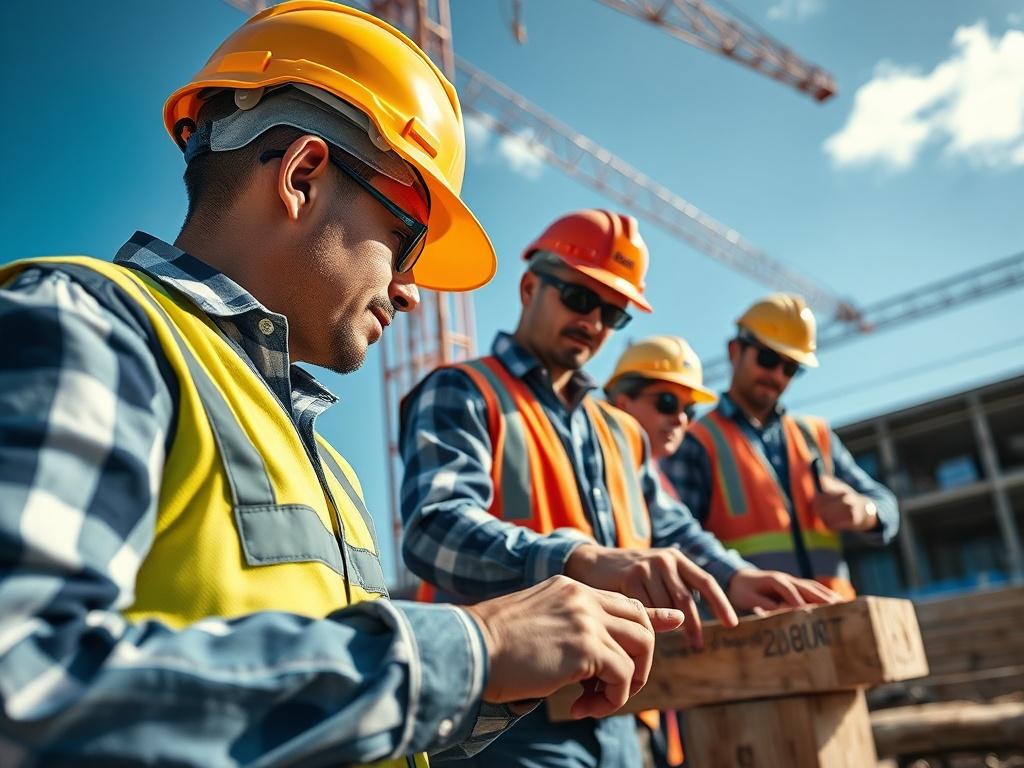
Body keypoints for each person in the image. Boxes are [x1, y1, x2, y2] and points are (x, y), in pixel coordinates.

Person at [0, 5, 685, 765]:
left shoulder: (326, 464)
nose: (414, 292)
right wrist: (471, 647)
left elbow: (349, 714)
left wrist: (488, 683)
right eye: (404, 242)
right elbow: (22, 683)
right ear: (301, 177)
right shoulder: (92, 328)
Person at [400, 209, 837, 768]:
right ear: (530, 285)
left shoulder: (618, 430)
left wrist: (736, 576)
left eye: (613, 312)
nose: (594, 322)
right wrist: (578, 561)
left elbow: (670, 528)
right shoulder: (463, 391)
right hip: (502, 720)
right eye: (580, 299)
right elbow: (435, 528)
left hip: (620, 710)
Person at [661, 294, 900, 599]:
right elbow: (676, 538)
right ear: (735, 351)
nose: (776, 375)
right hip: (755, 628)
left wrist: (864, 511)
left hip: (837, 617)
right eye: (768, 359)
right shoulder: (697, 439)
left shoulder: (815, 435)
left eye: (791, 368)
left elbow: (886, 503)